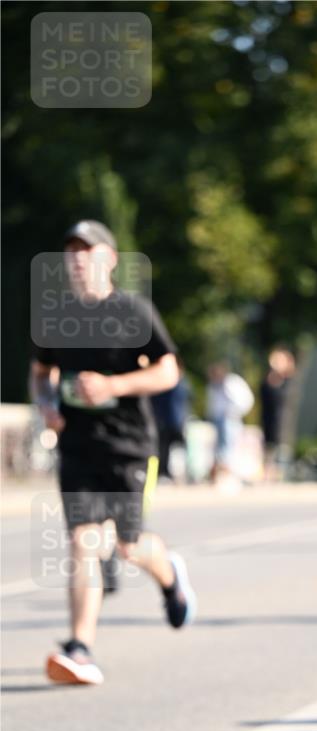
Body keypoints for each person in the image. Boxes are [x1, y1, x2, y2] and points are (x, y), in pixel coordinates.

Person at [30, 219, 197, 686]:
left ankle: (170, 576)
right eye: (71, 252)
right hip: (78, 447)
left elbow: (169, 371)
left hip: (129, 448)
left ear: (110, 260)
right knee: (83, 541)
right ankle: (80, 648)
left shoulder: (133, 311)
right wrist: (46, 405)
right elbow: (41, 371)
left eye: (88, 251)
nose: (78, 260)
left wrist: (113, 385)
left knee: (127, 546)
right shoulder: (54, 317)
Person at [205, 362, 254, 483]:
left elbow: (245, 400)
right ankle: (220, 472)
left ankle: (229, 473)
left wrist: (233, 412)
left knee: (230, 446)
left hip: (230, 419)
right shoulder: (213, 385)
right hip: (218, 419)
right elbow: (212, 404)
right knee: (218, 447)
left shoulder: (232, 383)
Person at [260, 347, 295, 480]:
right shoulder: (268, 380)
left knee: (281, 448)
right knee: (269, 447)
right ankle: (268, 473)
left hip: (282, 421)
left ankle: (279, 474)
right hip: (269, 420)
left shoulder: (288, 382)